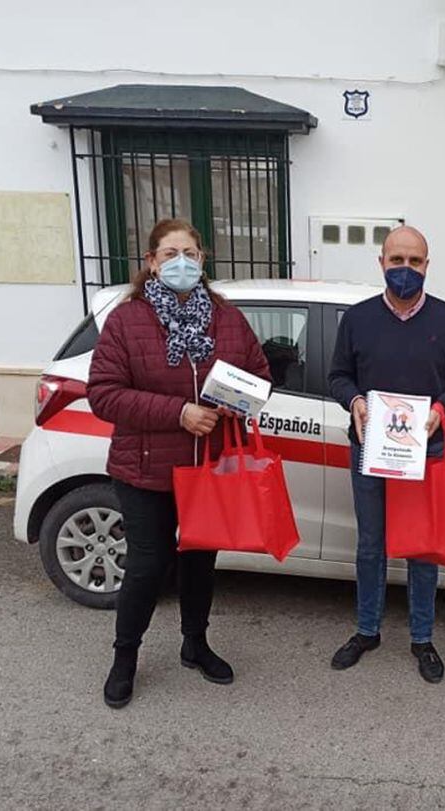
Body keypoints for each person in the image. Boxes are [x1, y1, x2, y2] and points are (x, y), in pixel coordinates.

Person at [87, 218, 271, 709]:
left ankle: (196, 644)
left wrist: (240, 401)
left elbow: (259, 374)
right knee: (148, 567)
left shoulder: (226, 318)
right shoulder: (127, 320)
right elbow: (103, 395)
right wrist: (179, 413)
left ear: (203, 259)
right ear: (150, 262)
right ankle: (125, 657)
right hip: (146, 470)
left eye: (189, 252)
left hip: (208, 469)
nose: (181, 262)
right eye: (169, 254)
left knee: (200, 565)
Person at [327, 225, 445, 684]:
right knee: (370, 545)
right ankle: (367, 630)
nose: (405, 270)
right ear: (382, 263)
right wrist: (354, 401)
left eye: (415, 262)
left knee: (421, 549)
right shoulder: (356, 319)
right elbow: (337, 376)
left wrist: (441, 408)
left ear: (427, 266)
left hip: (426, 452)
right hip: (370, 451)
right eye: (397, 261)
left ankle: (421, 637)